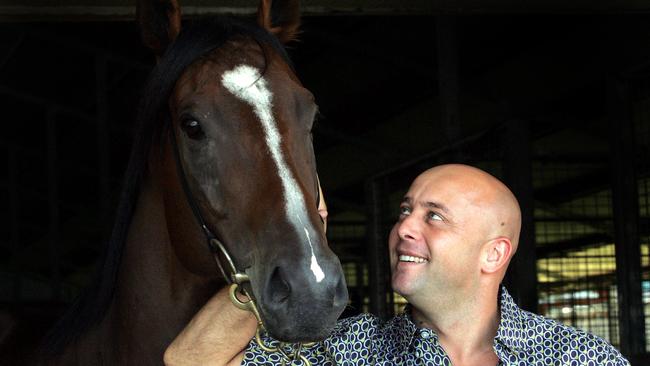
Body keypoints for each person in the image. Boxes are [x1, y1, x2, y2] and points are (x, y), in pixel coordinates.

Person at [164, 164, 629, 366]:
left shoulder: (578, 358)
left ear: (494, 254)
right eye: (405, 211)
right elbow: (190, 359)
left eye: (434, 216)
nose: (405, 227)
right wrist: (282, 242)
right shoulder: (347, 351)